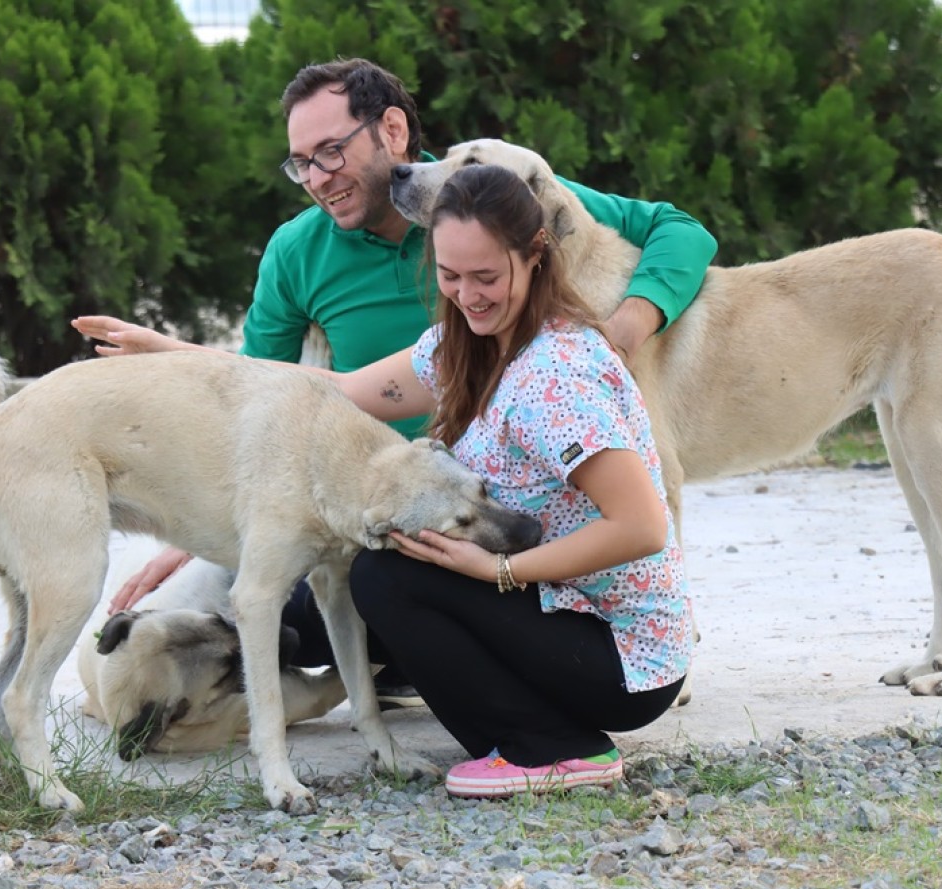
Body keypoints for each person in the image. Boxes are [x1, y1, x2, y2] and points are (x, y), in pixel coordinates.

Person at [72, 57, 714, 709]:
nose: (318, 179)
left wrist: (627, 326)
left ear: (394, 130)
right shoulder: (310, 259)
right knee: (171, 639)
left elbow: (680, 230)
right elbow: (278, 401)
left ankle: (458, 682)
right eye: (302, 163)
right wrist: (200, 530)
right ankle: (400, 659)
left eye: (331, 152)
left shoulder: (488, 192)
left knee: (370, 593)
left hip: (475, 514)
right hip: (353, 503)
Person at [281, 163, 690, 797]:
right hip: (555, 611)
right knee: (311, 612)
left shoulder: (557, 377)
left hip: (621, 656)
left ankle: (554, 746)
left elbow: (642, 525)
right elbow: (334, 390)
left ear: (534, 258)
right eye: (449, 276)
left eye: (486, 277)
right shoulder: (465, 344)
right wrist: (174, 359)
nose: (468, 295)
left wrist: (494, 572)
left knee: (385, 579)